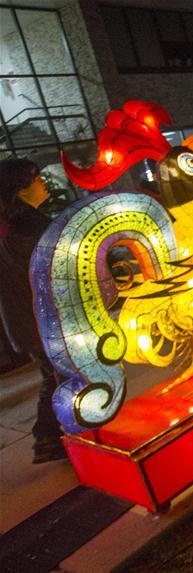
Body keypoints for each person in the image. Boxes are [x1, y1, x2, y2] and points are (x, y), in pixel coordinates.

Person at [0, 159, 66, 463]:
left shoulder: (14, 223)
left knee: (54, 375)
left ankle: (51, 439)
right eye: (38, 179)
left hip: (27, 320)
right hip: (41, 318)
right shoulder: (27, 226)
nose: (44, 184)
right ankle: (53, 437)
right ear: (22, 187)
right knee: (62, 374)